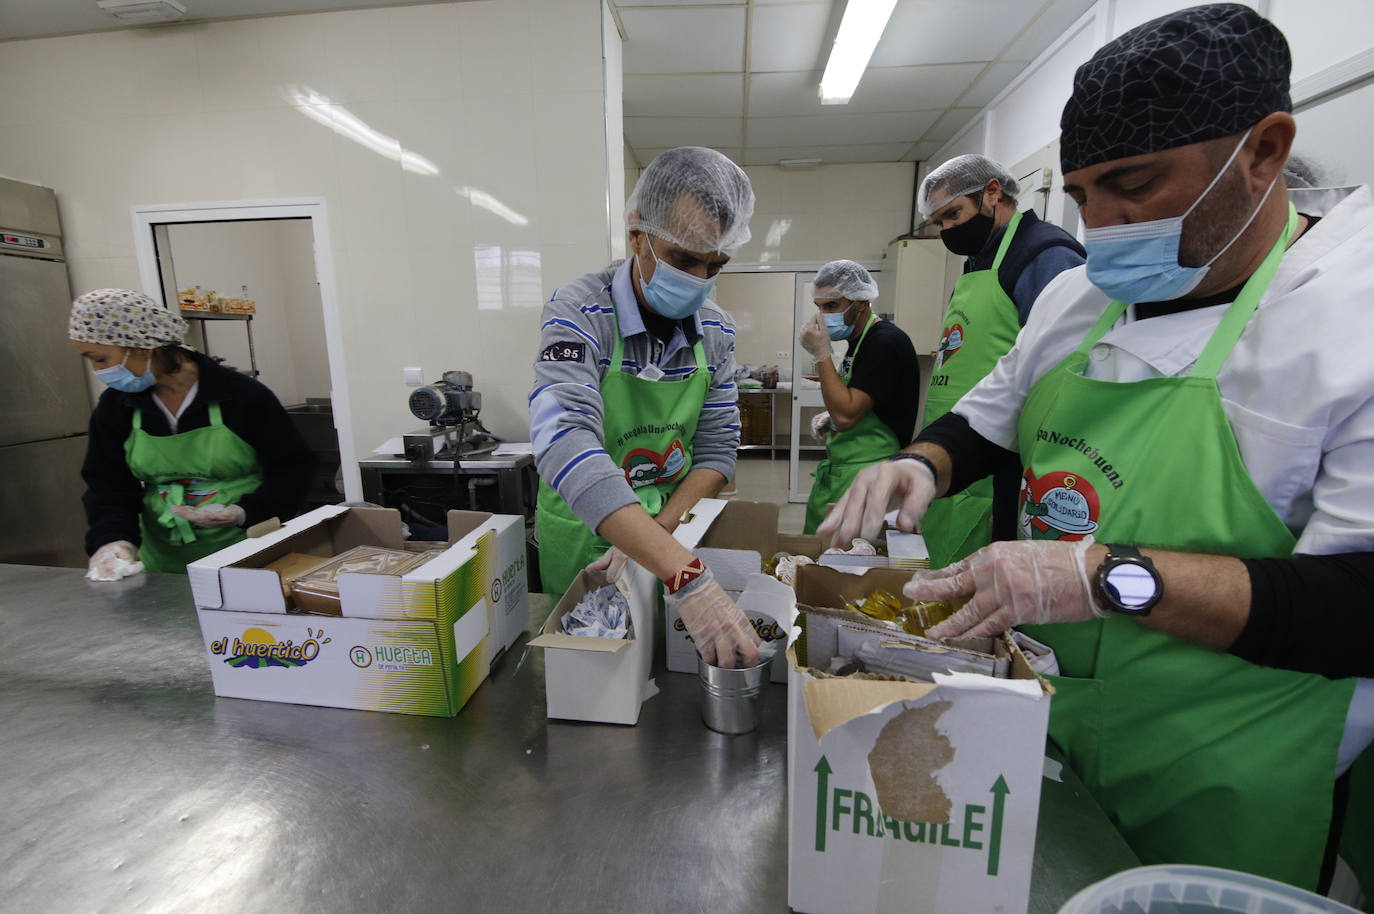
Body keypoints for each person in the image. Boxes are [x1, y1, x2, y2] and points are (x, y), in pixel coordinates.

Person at [819, 4, 1373, 894]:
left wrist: (1104, 575)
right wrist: (921, 463)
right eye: (1080, 195)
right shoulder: (1079, 296)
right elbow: (988, 419)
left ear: (1264, 150)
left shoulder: (1351, 318)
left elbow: (1358, 606)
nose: (1105, 222)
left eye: (1136, 184)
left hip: (1226, 763)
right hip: (1053, 724)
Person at [531, 146, 761, 668]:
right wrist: (685, 574)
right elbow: (562, 437)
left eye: (715, 265)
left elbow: (718, 451)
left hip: (673, 529)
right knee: (591, 673)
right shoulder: (580, 311)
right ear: (638, 235)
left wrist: (662, 537)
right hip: (585, 533)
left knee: (663, 670)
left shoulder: (718, 331)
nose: (700, 280)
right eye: (683, 259)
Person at [72, 289, 315, 580]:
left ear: (142, 346)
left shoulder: (240, 396)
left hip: (248, 551)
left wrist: (243, 512)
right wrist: (113, 541)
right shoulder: (118, 406)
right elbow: (108, 485)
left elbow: (293, 469)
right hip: (165, 563)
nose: (98, 370)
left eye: (100, 358)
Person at [917, 155, 1085, 569]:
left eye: (953, 214)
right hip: (962, 449)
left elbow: (1061, 378)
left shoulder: (1045, 255)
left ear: (992, 193)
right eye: (939, 222)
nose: (948, 230)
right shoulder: (977, 263)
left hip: (1005, 464)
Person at [797, 260, 918, 535]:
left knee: (843, 562)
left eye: (831, 306)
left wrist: (821, 354)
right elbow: (861, 396)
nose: (822, 316)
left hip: (867, 473)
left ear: (861, 303)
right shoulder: (858, 343)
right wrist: (832, 416)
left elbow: (847, 414)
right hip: (844, 470)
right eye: (818, 307)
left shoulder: (884, 342)